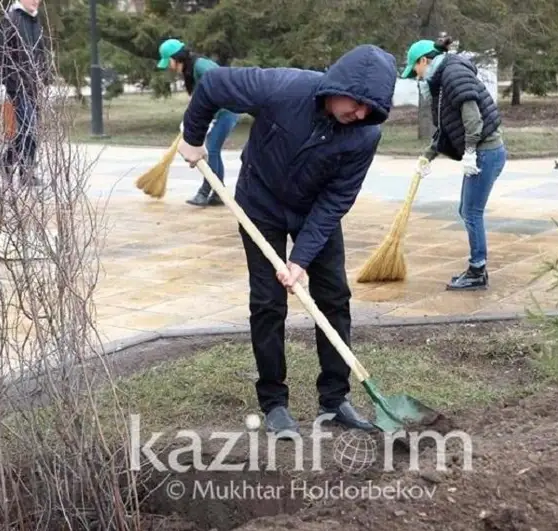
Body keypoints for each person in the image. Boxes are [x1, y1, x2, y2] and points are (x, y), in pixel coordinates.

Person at [178, 44, 396, 435]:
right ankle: (274, 402)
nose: (361, 114)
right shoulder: (283, 87)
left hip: (315, 211)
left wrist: (301, 259)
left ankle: (335, 399)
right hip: (260, 204)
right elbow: (211, 84)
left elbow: (336, 200)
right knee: (267, 302)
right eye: (359, 103)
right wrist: (193, 138)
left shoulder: (365, 134)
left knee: (334, 297)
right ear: (340, 85)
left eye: (371, 109)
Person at [400, 37, 506, 291]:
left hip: (485, 152)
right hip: (483, 151)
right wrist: (428, 155)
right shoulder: (443, 79)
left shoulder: (452, 74)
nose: (416, 76)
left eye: (415, 69)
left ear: (424, 60)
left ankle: (478, 271)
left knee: (471, 212)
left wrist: (470, 151)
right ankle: (477, 267)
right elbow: (448, 124)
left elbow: (473, 118)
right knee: (466, 210)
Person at [157, 38, 240, 207]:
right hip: (219, 112)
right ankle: (218, 194)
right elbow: (199, 97)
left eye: (168, 61)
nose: (169, 66)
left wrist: (209, 117)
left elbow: (220, 86)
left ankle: (206, 192)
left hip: (226, 111)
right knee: (212, 150)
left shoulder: (202, 66)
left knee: (211, 149)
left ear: (176, 58)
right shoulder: (190, 69)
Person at [0, 0, 52, 186]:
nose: (36, 1)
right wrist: (2, 77)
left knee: (30, 129)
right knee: (28, 128)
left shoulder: (35, 21)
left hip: (33, 85)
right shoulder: (11, 19)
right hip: (17, 84)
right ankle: (21, 170)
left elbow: (40, 51)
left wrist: (45, 76)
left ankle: (12, 166)